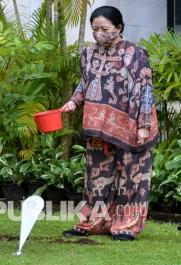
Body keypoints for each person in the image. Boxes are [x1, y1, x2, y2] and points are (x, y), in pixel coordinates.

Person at [60, 6, 158, 241]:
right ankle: (94, 222)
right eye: (95, 29)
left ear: (119, 28)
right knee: (96, 178)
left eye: (104, 29)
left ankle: (126, 226)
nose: (99, 33)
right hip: (98, 125)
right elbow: (85, 83)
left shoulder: (136, 54)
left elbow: (145, 89)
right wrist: (74, 102)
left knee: (131, 179)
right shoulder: (87, 54)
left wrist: (144, 124)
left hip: (131, 125)